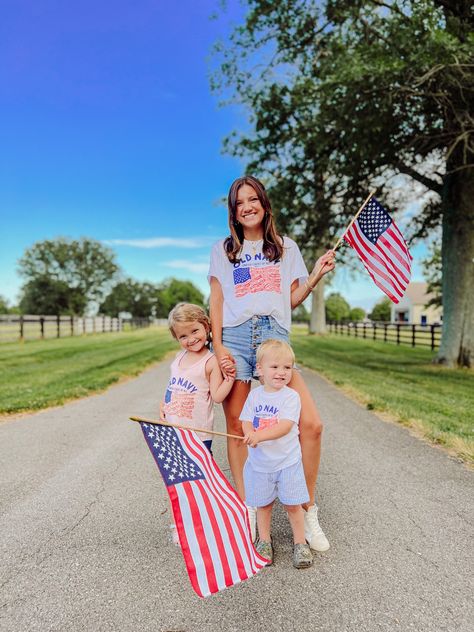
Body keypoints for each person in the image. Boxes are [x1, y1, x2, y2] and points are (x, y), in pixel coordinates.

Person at [208, 175, 335, 551]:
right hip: (234, 337)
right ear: (233, 211)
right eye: (239, 202)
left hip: (273, 337)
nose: (246, 206)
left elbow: (290, 299)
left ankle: (307, 508)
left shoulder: (284, 247)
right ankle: (249, 510)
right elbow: (216, 298)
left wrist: (314, 275)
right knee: (237, 426)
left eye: (252, 199)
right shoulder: (223, 249)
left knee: (310, 425)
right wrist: (218, 347)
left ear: (264, 204)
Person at [162, 302, 235, 545]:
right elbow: (172, 386)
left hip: (197, 435)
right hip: (174, 432)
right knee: (177, 482)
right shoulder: (179, 358)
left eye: (195, 331)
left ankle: (204, 522)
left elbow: (216, 396)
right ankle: (179, 524)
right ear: (177, 338)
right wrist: (163, 404)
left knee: (198, 482)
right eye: (183, 335)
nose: (191, 339)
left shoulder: (210, 361)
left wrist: (230, 379)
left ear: (206, 327)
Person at [241, 339, 313, 569]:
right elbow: (245, 420)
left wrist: (259, 436)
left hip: (287, 462)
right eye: (275, 367)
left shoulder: (291, 397)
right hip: (260, 463)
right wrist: (250, 432)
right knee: (263, 505)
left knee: (293, 504)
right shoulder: (254, 396)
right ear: (260, 369)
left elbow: (284, 426)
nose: (281, 372)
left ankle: (300, 542)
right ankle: (264, 541)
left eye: (287, 367)